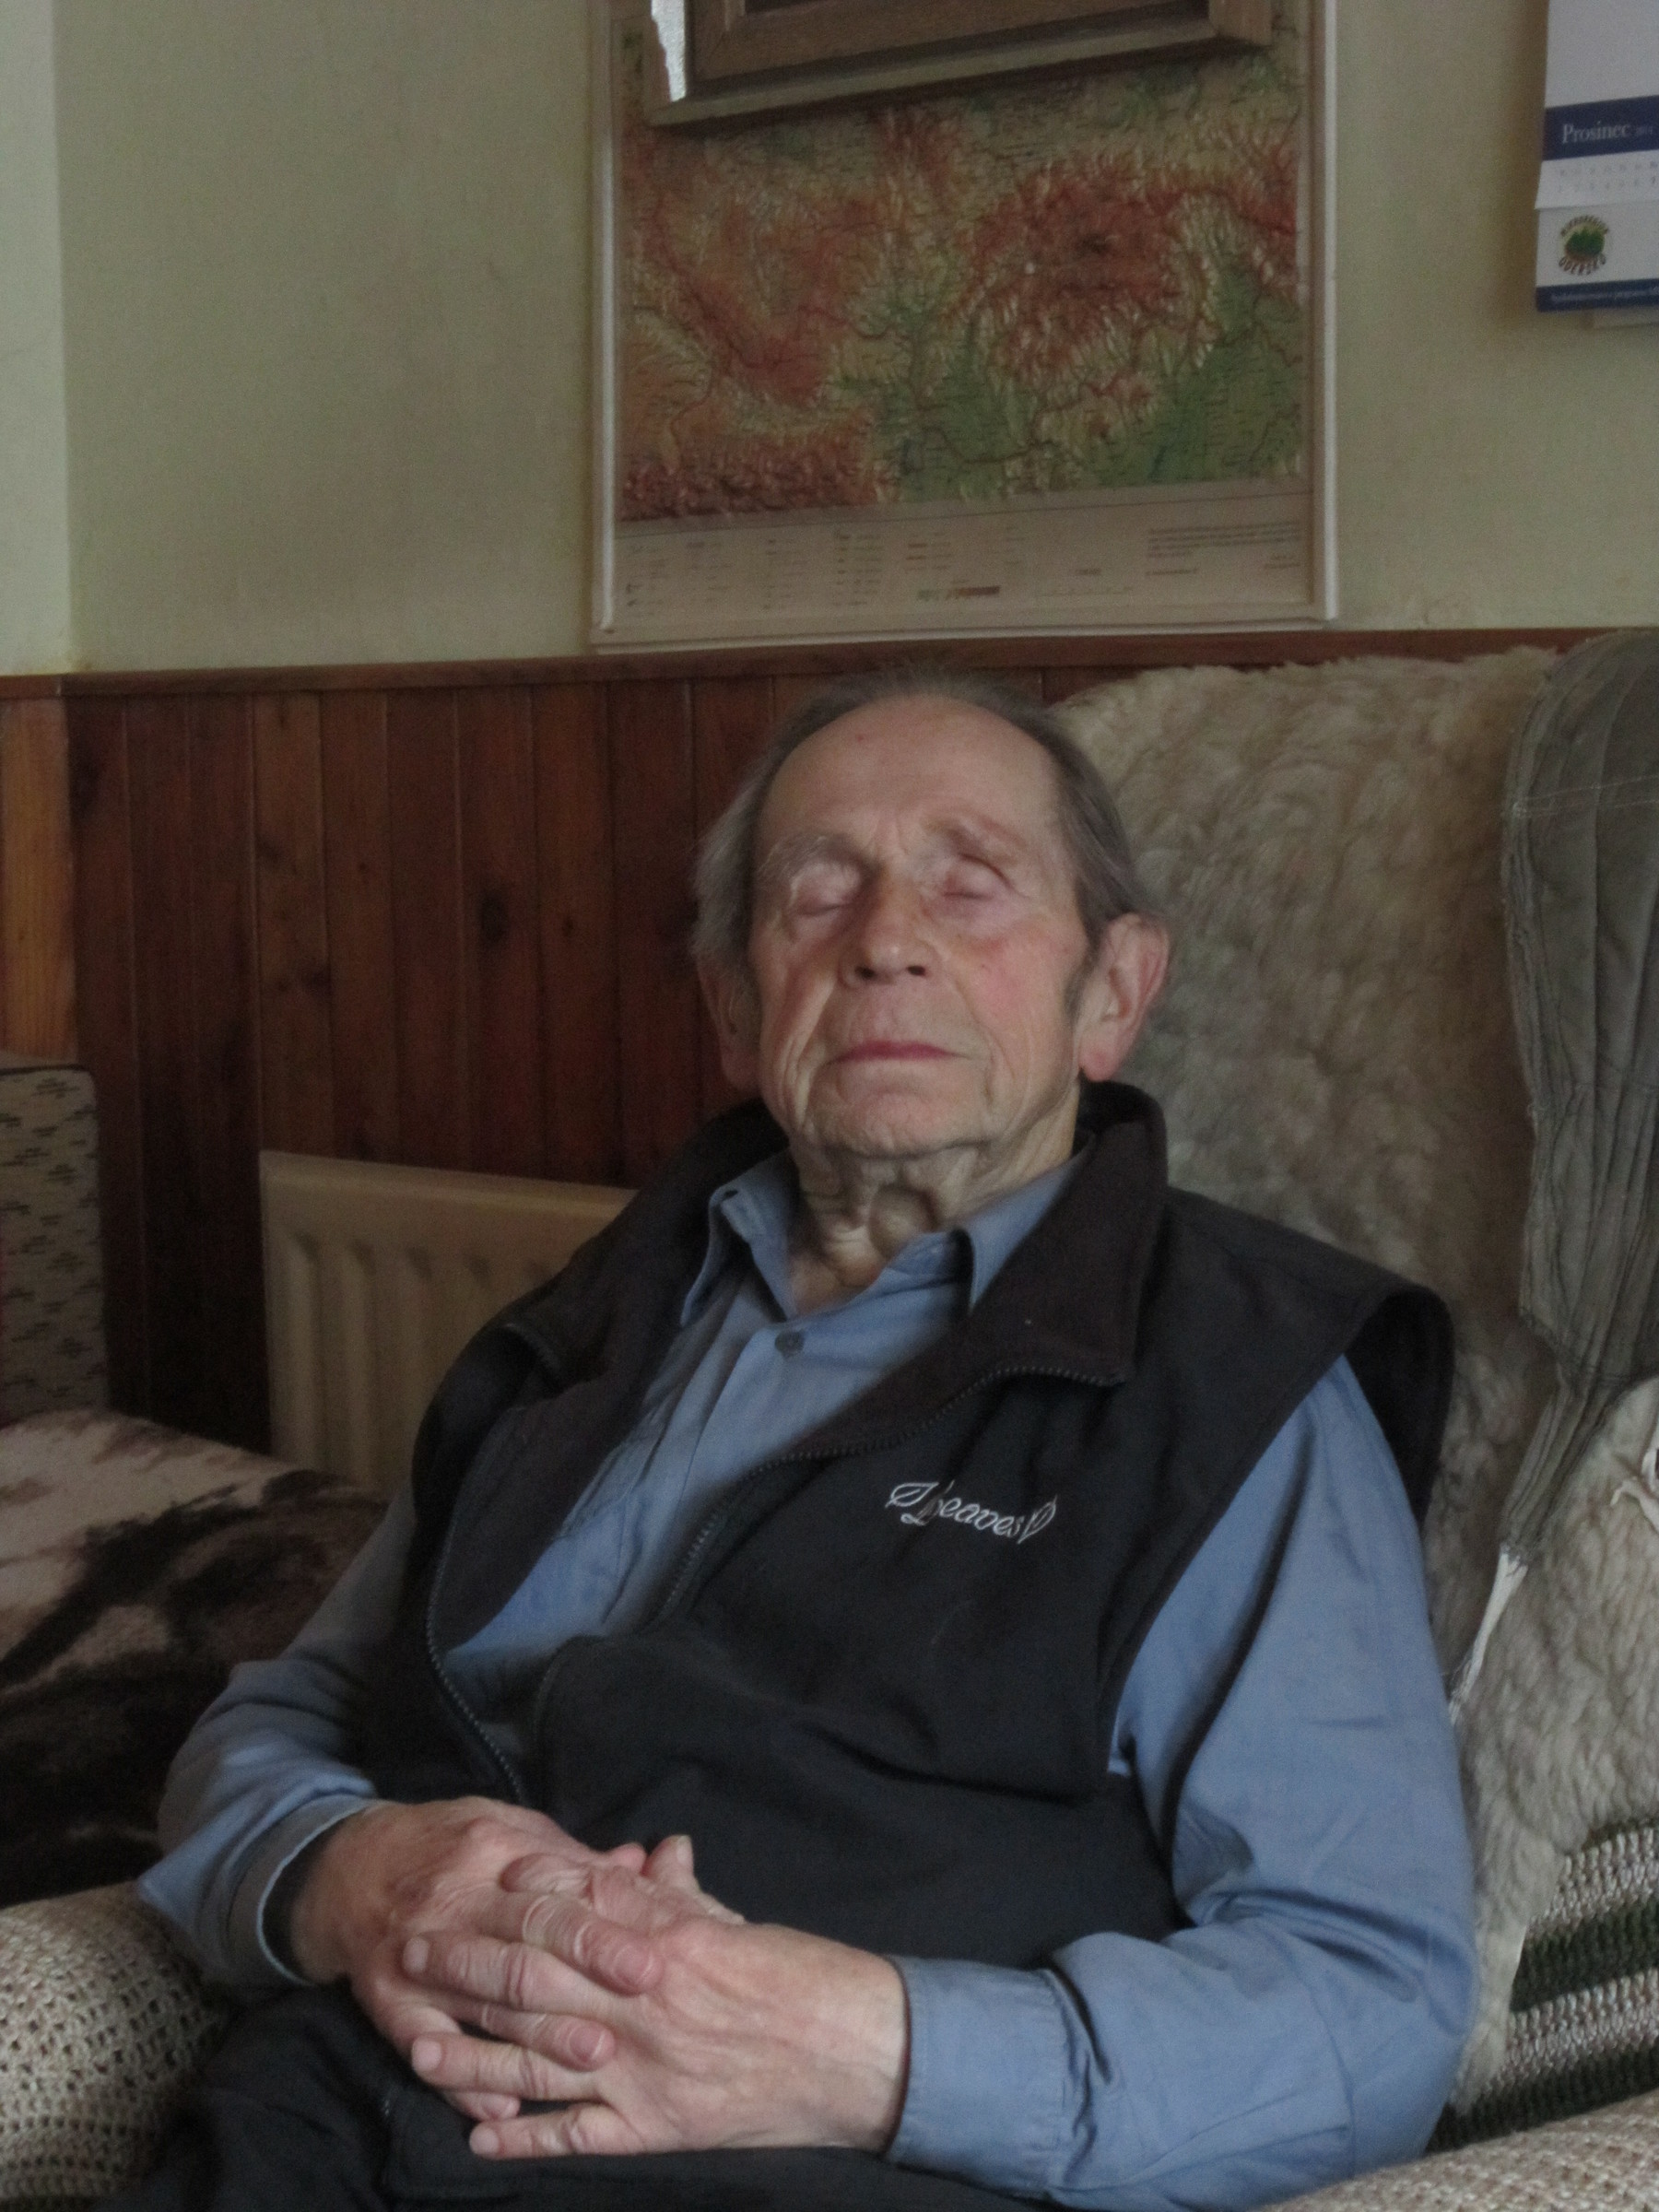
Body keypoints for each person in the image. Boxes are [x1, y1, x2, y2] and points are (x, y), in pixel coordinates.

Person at [123, 673, 1477, 2212]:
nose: (885, 939)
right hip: (320, 2133)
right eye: (818, 890)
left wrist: (851, 2052)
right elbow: (281, 1714)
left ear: (1113, 993)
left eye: (972, 883)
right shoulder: (584, 1328)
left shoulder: (1239, 1387)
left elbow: (1373, 2011)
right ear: (732, 1002)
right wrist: (346, 1877)